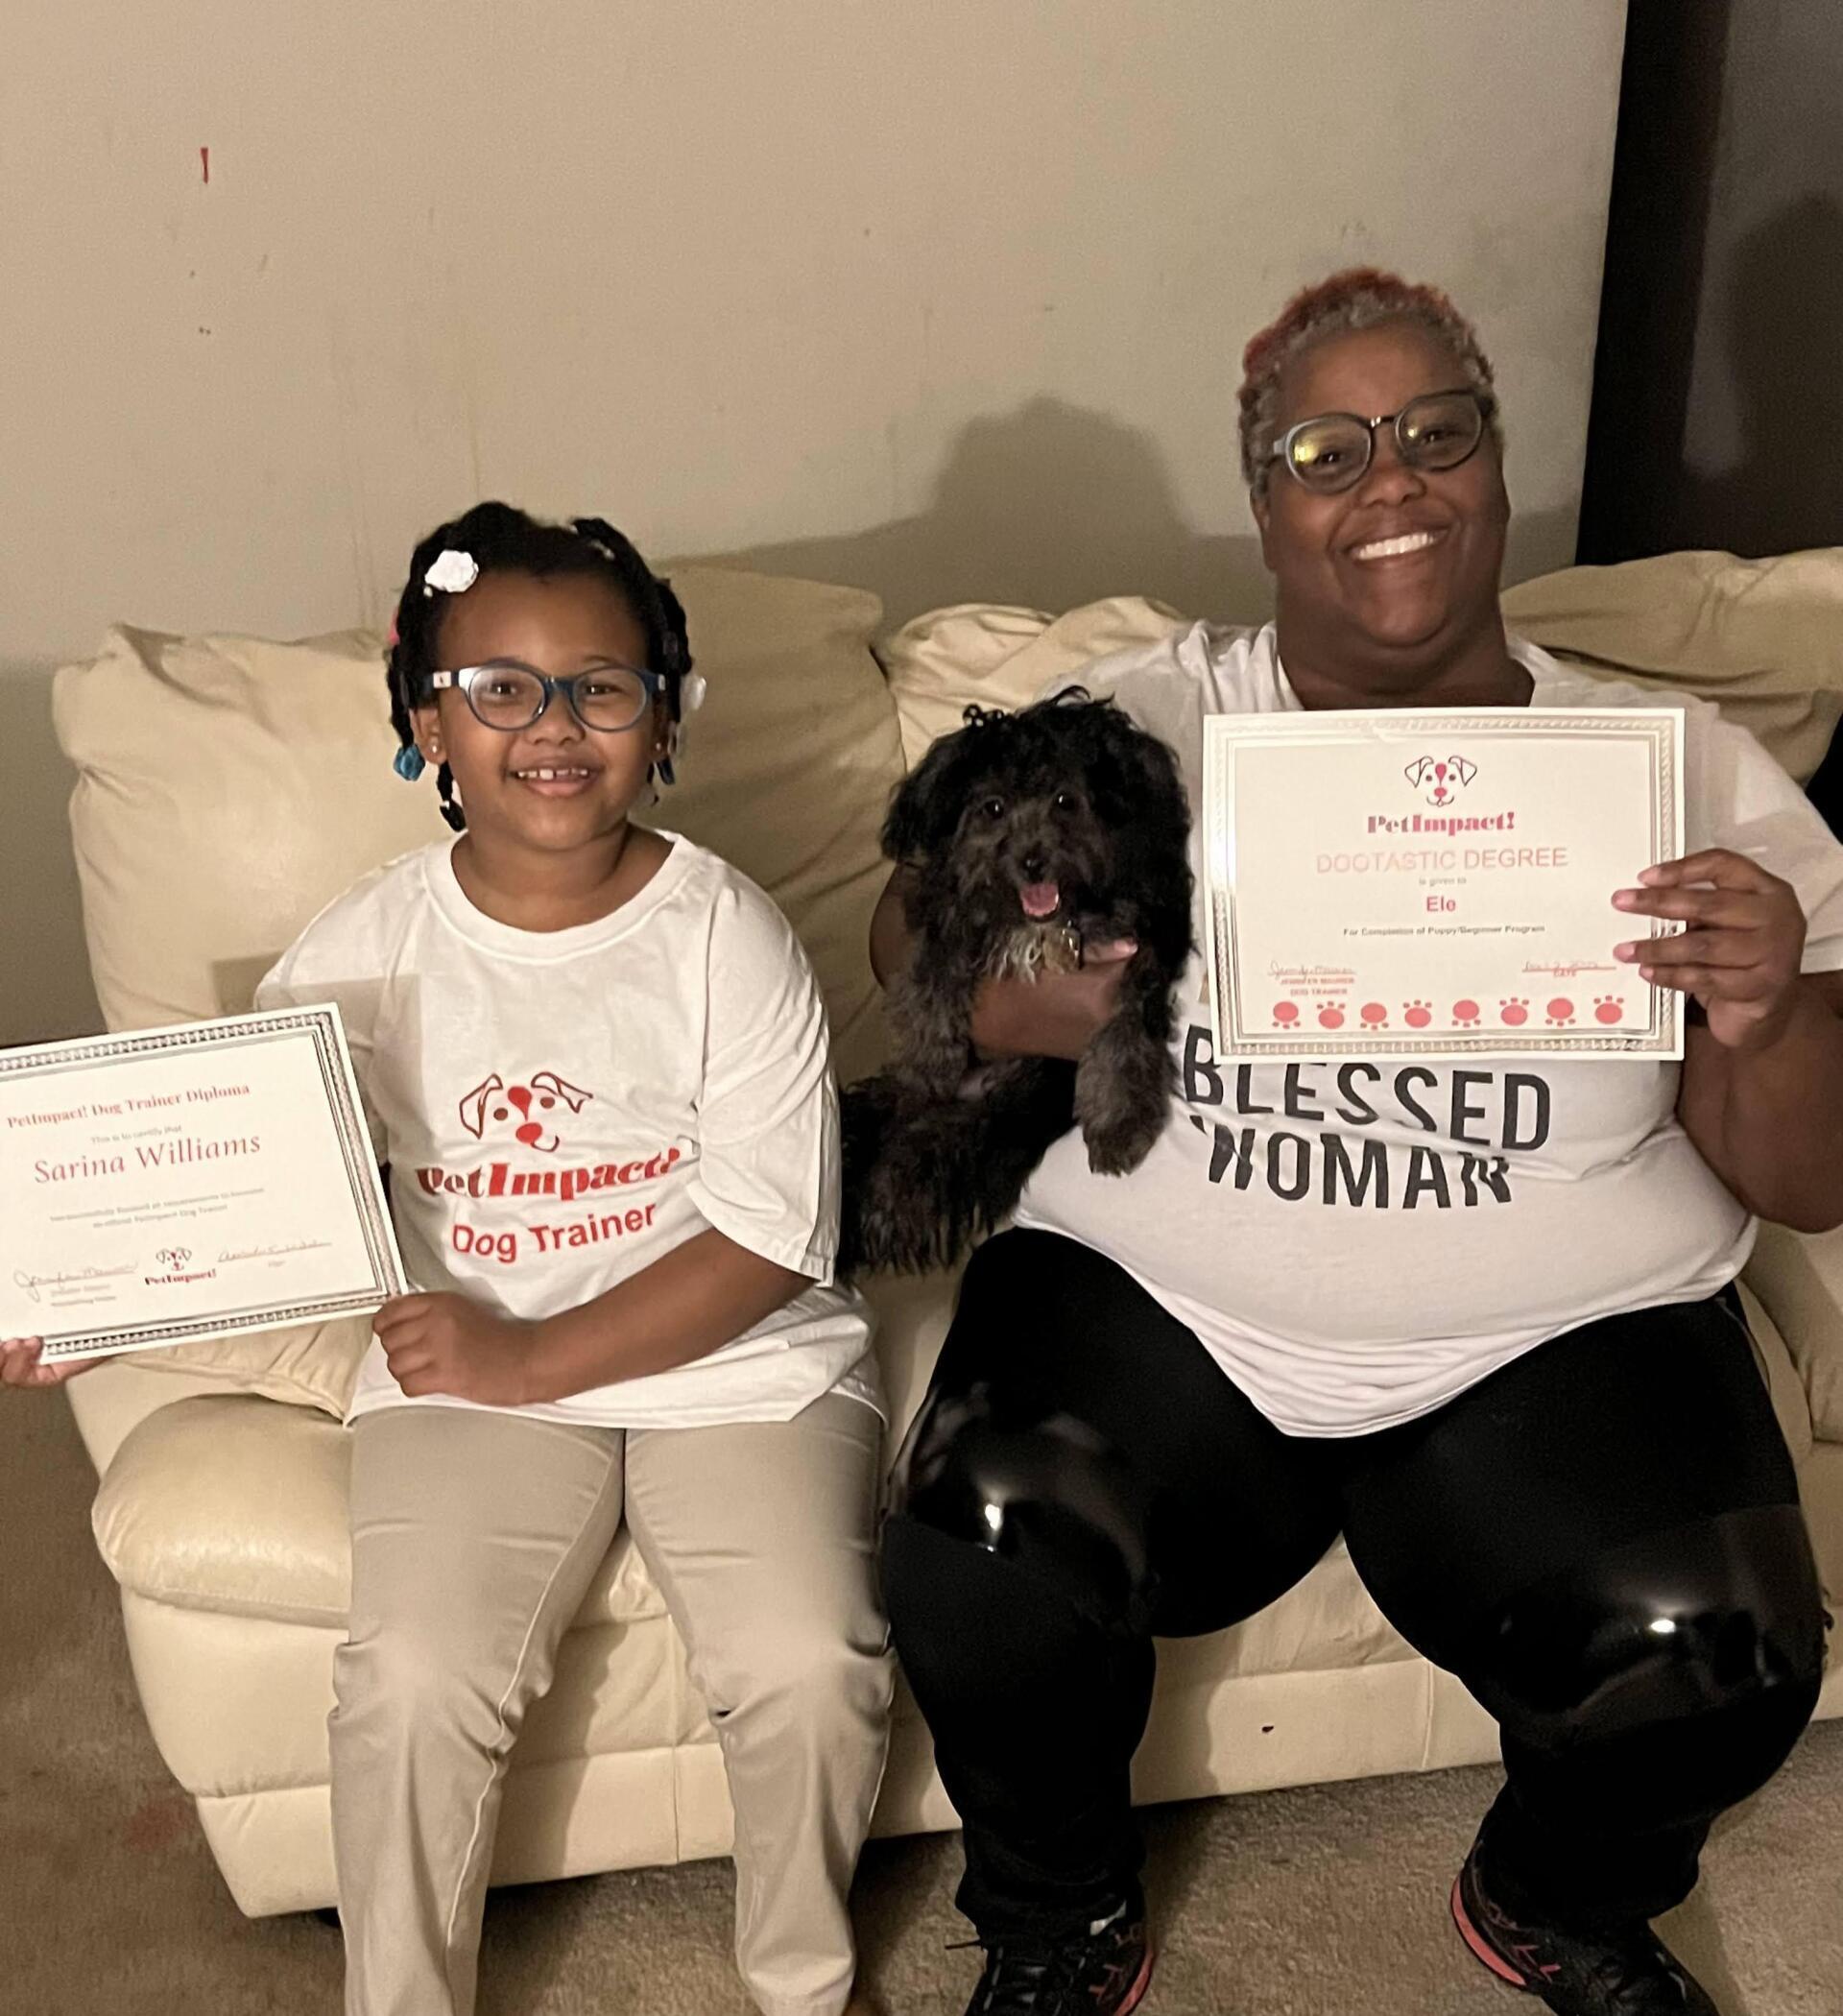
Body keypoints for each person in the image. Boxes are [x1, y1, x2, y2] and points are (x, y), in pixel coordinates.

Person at [870, 271, 1843, 2016]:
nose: (1388, 483)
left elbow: (1812, 1180)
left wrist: (1767, 1013)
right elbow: (902, 940)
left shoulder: (1684, 771)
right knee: (982, 1537)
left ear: (1493, 468)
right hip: (1161, 1303)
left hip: (1553, 1340)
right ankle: (1057, 1910)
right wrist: (1019, 996)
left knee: (1722, 1650)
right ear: (1265, 502)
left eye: (1434, 435)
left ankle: (1555, 1900)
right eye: (1330, 448)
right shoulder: (1140, 727)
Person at [7, 502, 891, 2016]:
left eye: (602, 687)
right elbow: (246, 1175)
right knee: (411, 1681)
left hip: (730, 1357)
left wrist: (540, 1357)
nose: (554, 726)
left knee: (810, 1658)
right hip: (466, 1365)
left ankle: (802, 1984)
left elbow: (768, 1239)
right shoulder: (361, 947)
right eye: (502, 689)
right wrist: (97, 1307)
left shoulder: (724, 936)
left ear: (665, 717)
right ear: (428, 721)